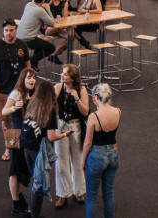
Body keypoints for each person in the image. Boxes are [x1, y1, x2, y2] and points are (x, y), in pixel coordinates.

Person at [22, 80, 68, 218]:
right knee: (39, 184)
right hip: (39, 151)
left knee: (35, 181)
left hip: (27, 147)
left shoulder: (32, 104)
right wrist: (65, 134)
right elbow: (52, 137)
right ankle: (34, 214)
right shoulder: (50, 110)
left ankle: (30, 210)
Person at [0, 20, 31, 164]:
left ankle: (21, 144)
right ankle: (8, 147)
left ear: (16, 30)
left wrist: (28, 83)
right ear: (3, 31)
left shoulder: (22, 45)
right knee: (6, 120)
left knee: (23, 116)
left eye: (11, 30)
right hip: (3, 90)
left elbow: (27, 65)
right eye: (6, 30)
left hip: (20, 90)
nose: (9, 33)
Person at [3, 67, 40, 216]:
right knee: (14, 170)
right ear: (23, 79)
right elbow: (3, 112)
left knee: (20, 170)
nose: (32, 80)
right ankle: (16, 203)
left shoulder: (34, 93)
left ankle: (19, 199)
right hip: (18, 136)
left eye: (34, 78)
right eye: (29, 78)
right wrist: (13, 107)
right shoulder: (17, 93)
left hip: (29, 137)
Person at [54, 63, 91, 208]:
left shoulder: (81, 90)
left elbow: (85, 111)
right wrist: (56, 117)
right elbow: (50, 105)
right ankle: (63, 194)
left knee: (78, 161)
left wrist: (77, 98)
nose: (62, 76)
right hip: (61, 126)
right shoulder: (58, 87)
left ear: (72, 78)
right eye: (62, 73)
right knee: (61, 162)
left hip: (76, 127)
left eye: (65, 74)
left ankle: (79, 191)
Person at [82, 83, 120, 218]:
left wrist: (83, 160)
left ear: (96, 97)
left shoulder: (94, 116)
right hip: (113, 155)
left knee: (91, 196)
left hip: (97, 156)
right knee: (109, 194)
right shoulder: (118, 112)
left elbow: (87, 143)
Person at [17, 0, 65, 67]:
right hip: (29, 39)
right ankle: (31, 62)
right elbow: (52, 23)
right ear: (43, 1)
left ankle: (34, 64)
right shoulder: (40, 10)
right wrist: (47, 8)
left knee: (41, 44)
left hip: (18, 37)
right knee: (51, 48)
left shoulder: (28, 5)